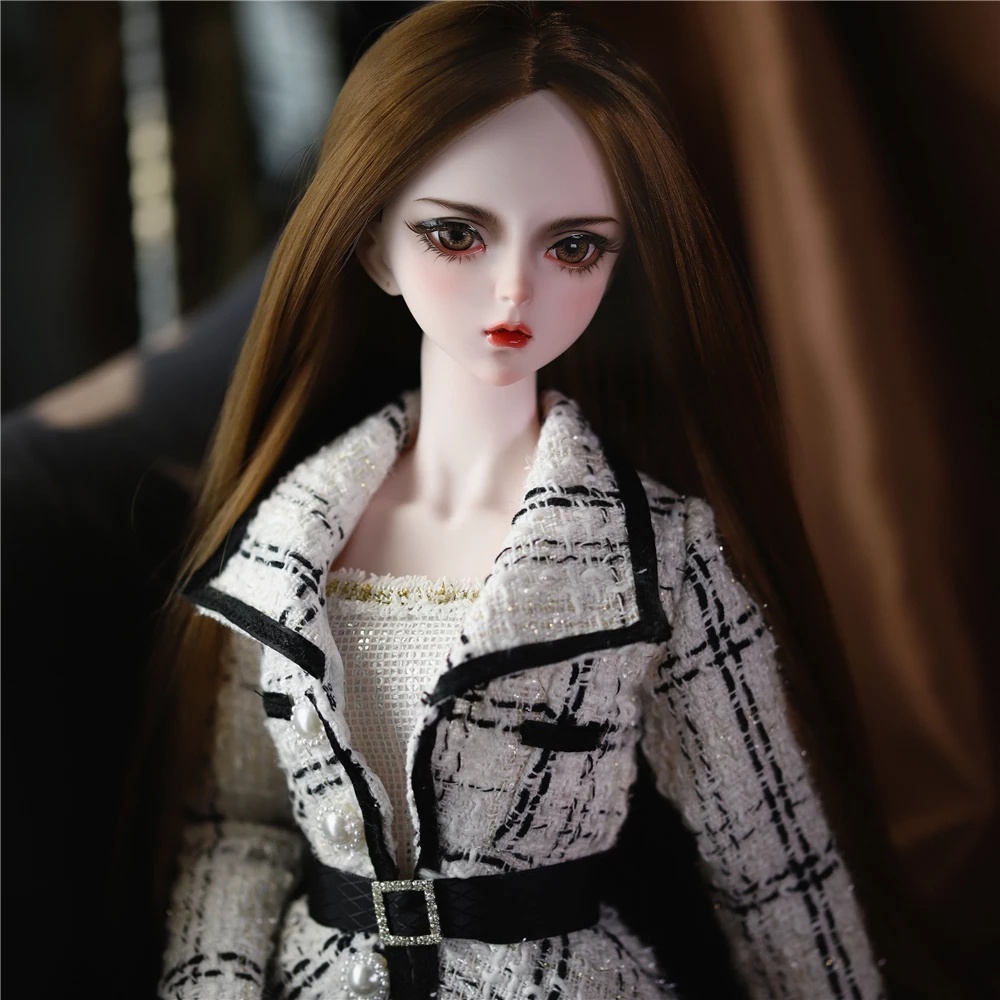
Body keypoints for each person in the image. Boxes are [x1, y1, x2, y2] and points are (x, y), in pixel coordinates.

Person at [154, 3, 889, 998]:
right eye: (456, 234)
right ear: (372, 243)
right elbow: (236, 828)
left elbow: (773, 863)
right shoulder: (283, 548)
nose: (513, 292)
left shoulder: (656, 555)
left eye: (572, 247)